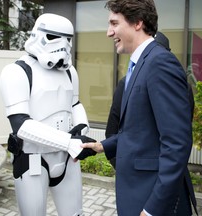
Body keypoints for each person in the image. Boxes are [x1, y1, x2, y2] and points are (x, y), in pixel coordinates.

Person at [81, 0, 195, 215]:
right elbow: (140, 129)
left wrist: (153, 208)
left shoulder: (160, 63)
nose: (108, 32)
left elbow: (177, 144)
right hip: (138, 191)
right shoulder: (140, 63)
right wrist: (103, 146)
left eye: (114, 23)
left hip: (152, 198)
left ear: (137, 23)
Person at [0, 13, 96, 216]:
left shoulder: (70, 72)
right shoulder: (17, 72)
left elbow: (76, 104)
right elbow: (21, 124)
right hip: (32, 158)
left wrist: (81, 128)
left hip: (67, 158)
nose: (63, 45)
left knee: (75, 213)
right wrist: (70, 141)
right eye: (54, 37)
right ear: (38, 35)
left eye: (68, 40)